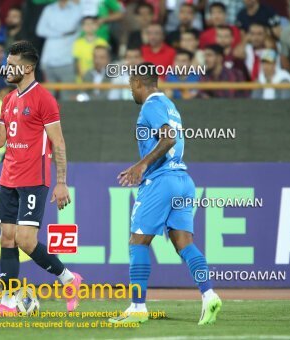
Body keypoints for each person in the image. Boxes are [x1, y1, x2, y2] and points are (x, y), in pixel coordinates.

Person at [0, 41, 82, 315]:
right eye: (6, 63)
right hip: (7, 178)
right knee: (6, 238)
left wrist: (61, 181)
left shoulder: (44, 99)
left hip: (34, 179)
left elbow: (58, 142)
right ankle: (8, 303)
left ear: (29, 67)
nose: (6, 68)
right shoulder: (8, 100)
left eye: (12, 64)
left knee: (25, 240)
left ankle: (68, 278)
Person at [108, 61, 221, 325]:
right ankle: (209, 295)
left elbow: (168, 137)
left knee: (138, 242)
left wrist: (141, 165)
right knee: (184, 243)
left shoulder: (152, 105)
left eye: (130, 85)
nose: (130, 91)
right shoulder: (171, 106)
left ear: (138, 82)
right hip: (182, 179)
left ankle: (137, 307)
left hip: (161, 181)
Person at [36, 0, 82, 100]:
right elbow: (40, 30)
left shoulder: (77, 9)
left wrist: (53, 30)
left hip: (67, 59)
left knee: (68, 98)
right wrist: (61, 33)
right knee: (48, 100)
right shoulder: (49, 9)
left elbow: (73, 28)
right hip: (48, 60)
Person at [73, 16, 110, 81]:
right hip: (82, 80)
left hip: (100, 80)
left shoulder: (103, 42)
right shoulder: (77, 43)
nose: (89, 26)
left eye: (92, 24)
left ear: (96, 26)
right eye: (86, 24)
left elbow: (106, 62)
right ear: (83, 27)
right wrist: (84, 78)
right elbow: (77, 63)